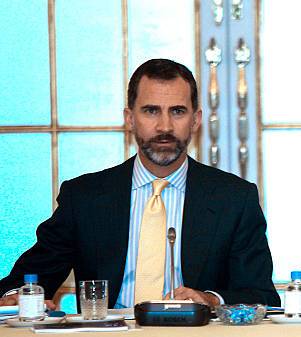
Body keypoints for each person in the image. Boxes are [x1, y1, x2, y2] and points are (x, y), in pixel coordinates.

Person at [0, 58, 280, 309]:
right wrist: (18, 296)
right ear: (129, 119)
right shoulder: (83, 197)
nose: (165, 127)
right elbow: (28, 279)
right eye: (151, 111)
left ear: (196, 120)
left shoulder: (234, 199)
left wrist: (210, 300)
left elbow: (261, 296)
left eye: (178, 111)